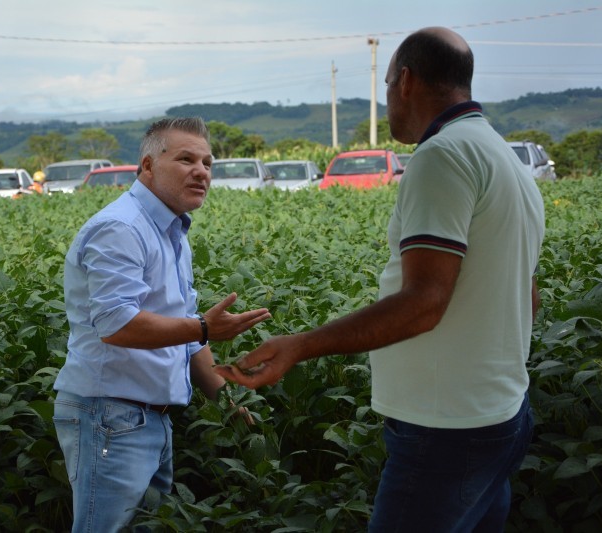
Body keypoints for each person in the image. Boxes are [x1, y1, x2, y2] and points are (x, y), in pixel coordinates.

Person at [215, 27, 545, 532]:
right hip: (500, 413)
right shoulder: (506, 160)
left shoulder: (442, 156)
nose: (387, 98)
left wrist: (299, 346)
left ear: (405, 81)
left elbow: (424, 301)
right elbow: (528, 297)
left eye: (386, 85)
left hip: (446, 429)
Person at [53, 116, 271, 532]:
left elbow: (187, 332)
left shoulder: (171, 232)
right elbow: (117, 324)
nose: (201, 172)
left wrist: (226, 402)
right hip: (110, 416)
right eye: (186, 159)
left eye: (208, 163)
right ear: (148, 165)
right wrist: (203, 328)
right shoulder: (121, 227)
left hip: (148, 419)